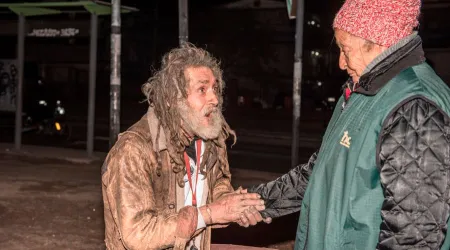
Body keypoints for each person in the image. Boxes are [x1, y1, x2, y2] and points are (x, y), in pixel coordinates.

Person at [248, 0, 450, 249]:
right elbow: (323, 170)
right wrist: (258, 202)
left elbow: (414, 236)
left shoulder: (414, 108)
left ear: (377, 43)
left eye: (345, 49)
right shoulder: (365, 91)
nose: (340, 63)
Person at [101, 44, 267, 250]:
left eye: (215, 88)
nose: (214, 99)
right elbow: (137, 233)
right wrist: (211, 213)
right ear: (173, 99)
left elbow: (218, 184)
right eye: (202, 89)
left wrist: (232, 205)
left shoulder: (210, 139)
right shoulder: (134, 149)